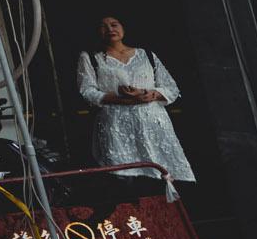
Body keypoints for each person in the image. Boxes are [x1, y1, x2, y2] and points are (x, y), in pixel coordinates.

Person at [76, 15, 194, 181]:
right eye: (103, 27)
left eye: (114, 24)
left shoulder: (146, 55)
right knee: (125, 178)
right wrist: (121, 99)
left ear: (123, 27)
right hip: (117, 128)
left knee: (162, 175)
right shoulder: (90, 57)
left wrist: (148, 94)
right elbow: (87, 91)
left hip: (154, 126)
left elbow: (171, 88)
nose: (110, 29)